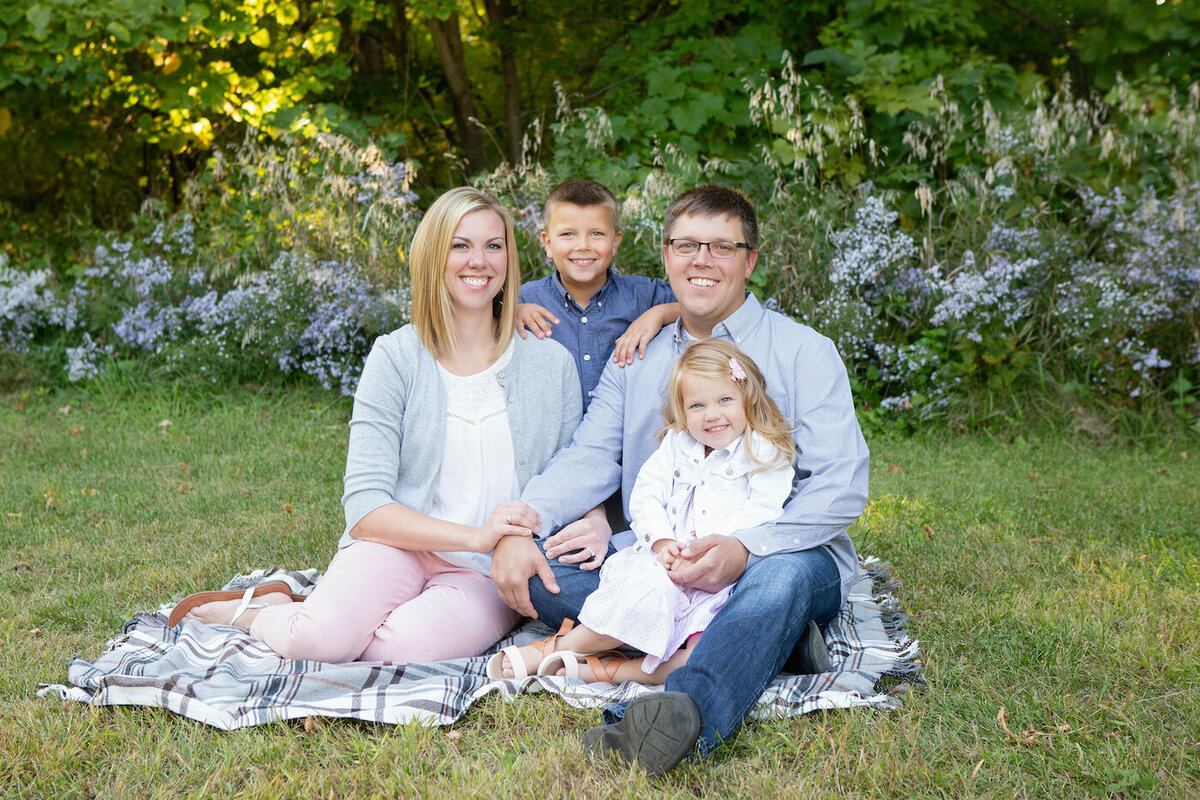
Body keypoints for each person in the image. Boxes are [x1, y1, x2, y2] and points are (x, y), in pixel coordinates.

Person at [489, 185, 870, 775]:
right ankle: (768, 638)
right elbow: (591, 455)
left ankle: (680, 711)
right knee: (543, 568)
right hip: (667, 557)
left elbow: (841, 485)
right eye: (687, 245)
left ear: (750, 261)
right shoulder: (637, 353)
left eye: (722, 247)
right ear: (666, 257)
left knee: (777, 584)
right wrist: (519, 524)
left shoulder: (804, 351)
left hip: (784, 555)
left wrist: (746, 550)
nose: (701, 260)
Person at [167, 187, 582, 665]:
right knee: (317, 643)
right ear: (433, 256)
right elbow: (365, 508)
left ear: (510, 257)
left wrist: (499, 543)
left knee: (400, 649)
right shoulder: (396, 356)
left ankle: (324, 612)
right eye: (460, 245)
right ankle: (264, 612)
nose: (479, 261)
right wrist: (474, 534)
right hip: (397, 546)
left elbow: (570, 481)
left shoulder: (551, 365)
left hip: (485, 572)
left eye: (494, 246)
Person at [489, 340, 796, 686]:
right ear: (681, 411)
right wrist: (662, 542)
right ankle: (556, 650)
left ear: (748, 398)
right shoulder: (679, 445)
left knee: (706, 654)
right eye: (697, 405)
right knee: (642, 599)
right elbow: (647, 494)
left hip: (719, 579)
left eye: (725, 400)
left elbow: (763, 510)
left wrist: (711, 549)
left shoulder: (765, 452)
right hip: (666, 566)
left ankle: (603, 669)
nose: (712, 414)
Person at [517, 179, 680, 411]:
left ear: (615, 242)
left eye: (596, 234)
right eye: (568, 234)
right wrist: (510, 311)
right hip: (553, 441)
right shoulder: (526, 299)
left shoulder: (643, 296)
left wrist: (661, 313)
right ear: (547, 243)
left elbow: (709, 306)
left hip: (624, 439)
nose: (583, 245)